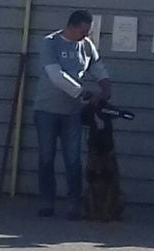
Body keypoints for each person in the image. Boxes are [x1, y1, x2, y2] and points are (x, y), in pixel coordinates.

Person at [34, 10, 112, 220]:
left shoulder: (86, 46)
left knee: (73, 160)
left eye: (88, 32)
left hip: (72, 113)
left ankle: (73, 205)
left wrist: (105, 87)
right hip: (47, 110)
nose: (85, 36)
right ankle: (46, 202)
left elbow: (97, 67)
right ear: (72, 26)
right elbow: (56, 76)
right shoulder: (50, 43)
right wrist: (83, 93)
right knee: (46, 158)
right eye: (83, 31)